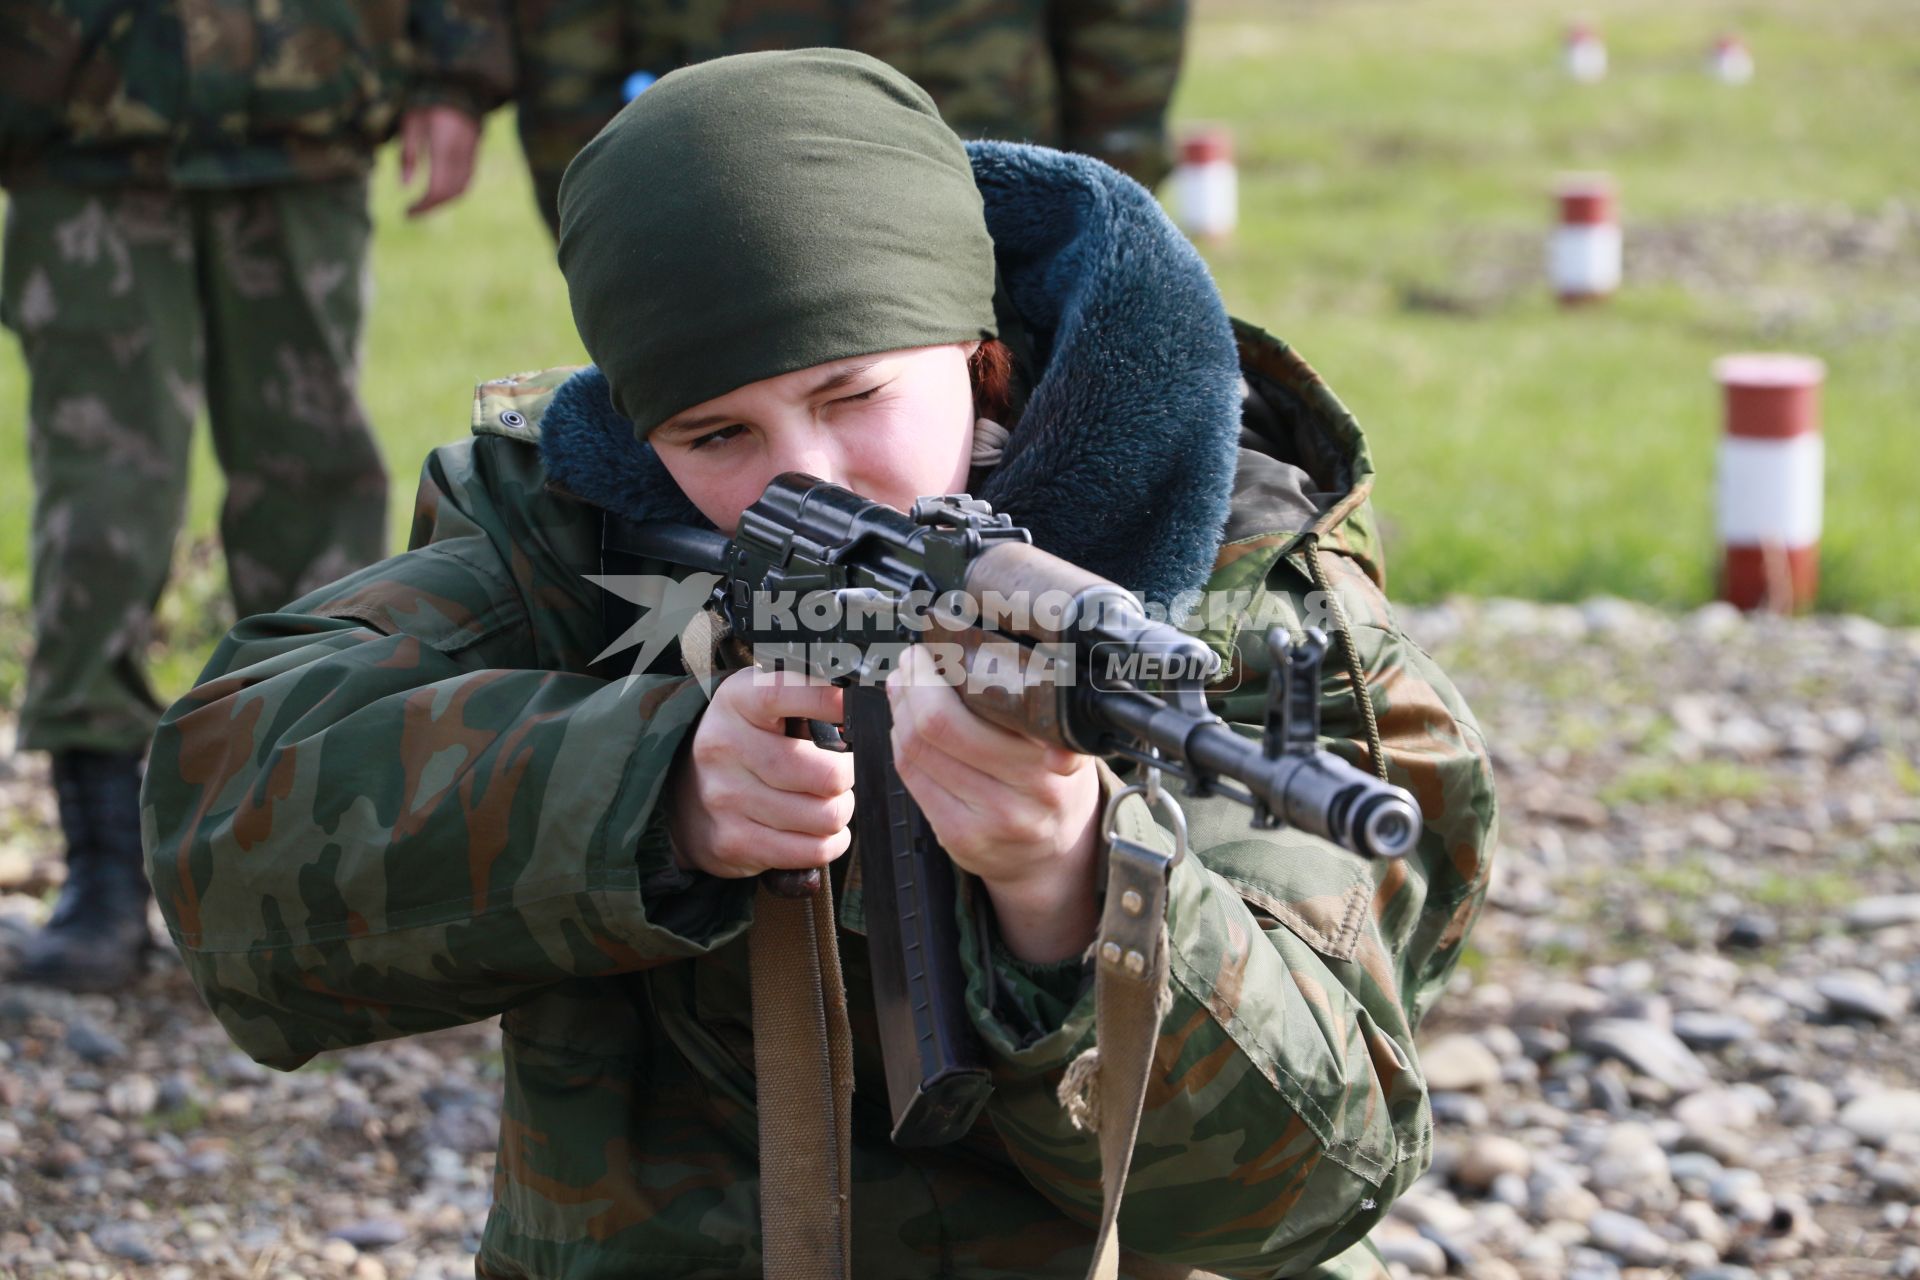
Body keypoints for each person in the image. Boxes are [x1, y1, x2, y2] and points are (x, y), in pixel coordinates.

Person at [143, 51, 1497, 1278]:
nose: (804, 475)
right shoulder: (575, 536)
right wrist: (651, 788)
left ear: (983, 360)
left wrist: (1079, 886)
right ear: (640, 429)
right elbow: (227, 834)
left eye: (854, 398)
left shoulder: (1232, 582)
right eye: (716, 435)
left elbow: (1307, 1187)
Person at [0, 0, 515, 991]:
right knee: (99, 505)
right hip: (76, 109)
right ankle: (103, 874)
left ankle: (309, 860)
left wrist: (455, 74)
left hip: (303, 94)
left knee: (315, 491)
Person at [511, 0, 1187, 234]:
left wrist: (1101, 193)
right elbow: (568, 40)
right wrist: (601, 224)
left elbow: (1124, 28)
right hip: (727, 194)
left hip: (987, 186)